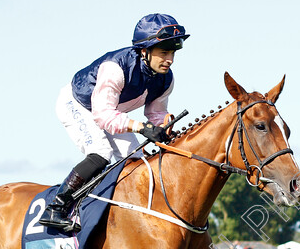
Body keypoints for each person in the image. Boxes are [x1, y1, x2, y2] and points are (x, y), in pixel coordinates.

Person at [38, 13, 189, 231]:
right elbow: (102, 115)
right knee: (100, 153)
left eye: (173, 53)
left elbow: (155, 113)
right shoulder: (115, 68)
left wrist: (164, 125)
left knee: (137, 162)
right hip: (79, 105)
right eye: (164, 53)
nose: (170, 60)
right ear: (144, 51)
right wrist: (141, 128)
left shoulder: (166, 78)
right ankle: (56, 207)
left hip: (111, 111)